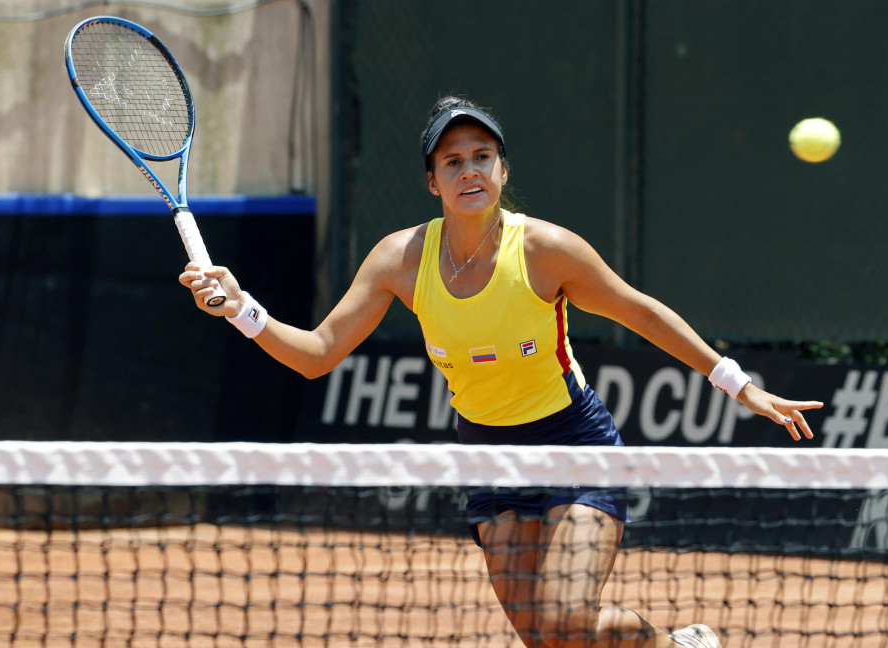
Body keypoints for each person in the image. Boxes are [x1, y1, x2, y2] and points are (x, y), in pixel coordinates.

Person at [180, 96, 823, 648]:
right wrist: (241, 310)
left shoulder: (546, 251)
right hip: (489, 461)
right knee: (544, 637)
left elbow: (640, 313)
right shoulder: (400, 261)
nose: (469, 170)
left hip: (577, 449)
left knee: (569, 622)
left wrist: (739, 384)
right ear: (433, 181)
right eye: (452, 161)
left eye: (481, 156)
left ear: (502, 169)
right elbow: (318, 354)